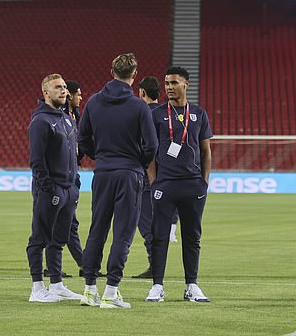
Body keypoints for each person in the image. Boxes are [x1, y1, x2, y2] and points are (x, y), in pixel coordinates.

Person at [78, 53, 158, 309]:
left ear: (111, 71)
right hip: (129, 174)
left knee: (97, 229)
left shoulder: (93, 102)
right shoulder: (138, 106)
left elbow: (83, 139)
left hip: (102, 172)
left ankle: (89, 289)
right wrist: (139, 163)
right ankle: (111, 292)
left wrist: (98, 156)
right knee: (123, 233)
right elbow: (152, 145)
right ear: (134, 76)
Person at [145, 66, 213, 303]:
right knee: (159, 236)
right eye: (166, 83)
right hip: (165, 185)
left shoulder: (199, 114)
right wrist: (154, 183)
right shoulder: (156, 115)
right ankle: (157, 286)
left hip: (193, 186)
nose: (169, 87)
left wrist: (204, 183)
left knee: (192, 236)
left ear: (186, 84)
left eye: (174, 83)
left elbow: (206, 151)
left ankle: (191, 286)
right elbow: (149, 153)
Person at [26, 73, 84, 303]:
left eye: (64, 87)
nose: (64, 91)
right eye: (58, 87)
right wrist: (48, 188)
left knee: (59, 239)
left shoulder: (66, 118)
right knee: (39, 237)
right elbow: (37, 161)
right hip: (52, 190)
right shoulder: (41, 121)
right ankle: (37, 288)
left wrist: (75, 183)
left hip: (69, 189)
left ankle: (57, 284)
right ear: (45, 93)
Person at [43, 80, 104, 279]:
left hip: (72, 175)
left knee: (68, 223)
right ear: (69, 95)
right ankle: (80, 265)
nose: (81, 97)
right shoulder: (57, 117)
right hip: (58, 179)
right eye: (78, 94)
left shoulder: (74, 116)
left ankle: (79, 264)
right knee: (62, 223)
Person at [132, 76, 162, 279]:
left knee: (146, 224)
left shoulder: (142, 114)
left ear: (142, 92)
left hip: (144, 177)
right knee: (153, 223)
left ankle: (156, 267)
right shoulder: (166, 113)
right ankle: (156, 266)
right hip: (165, 177)